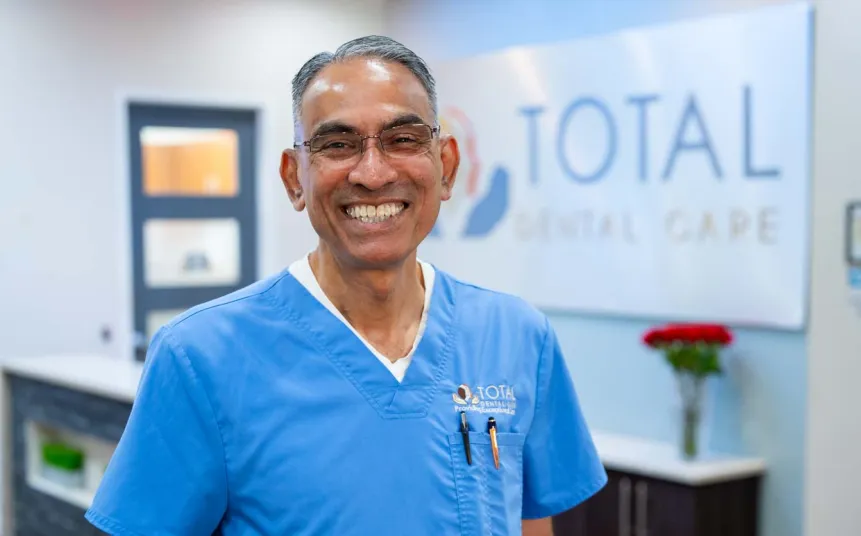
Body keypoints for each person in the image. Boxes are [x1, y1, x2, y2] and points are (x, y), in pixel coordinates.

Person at [85, 35, 606, 536]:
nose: (373, 173)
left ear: (444, 167)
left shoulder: (516, 335)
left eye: (404, 139)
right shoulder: (201, 357)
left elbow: (529, 520)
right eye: (338, 144)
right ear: (295, 178)